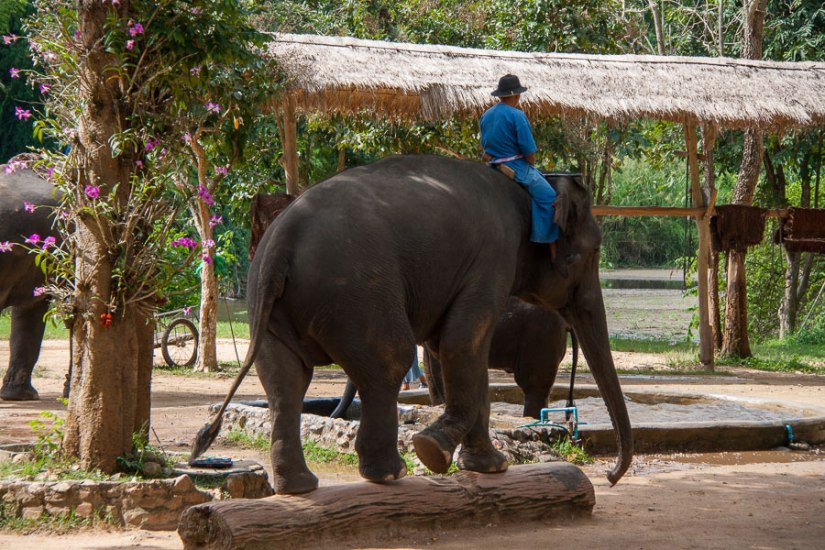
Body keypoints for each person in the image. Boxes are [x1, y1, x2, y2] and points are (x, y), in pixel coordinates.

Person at [480, 74, 575, 275]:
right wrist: (530, 163)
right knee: (549, 198)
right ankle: (550, 249)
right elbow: (529, 152)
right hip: (516, 167)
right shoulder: (517, 116)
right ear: (516, 95)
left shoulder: (486, 115)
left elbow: (486, 146)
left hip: (492, 165)